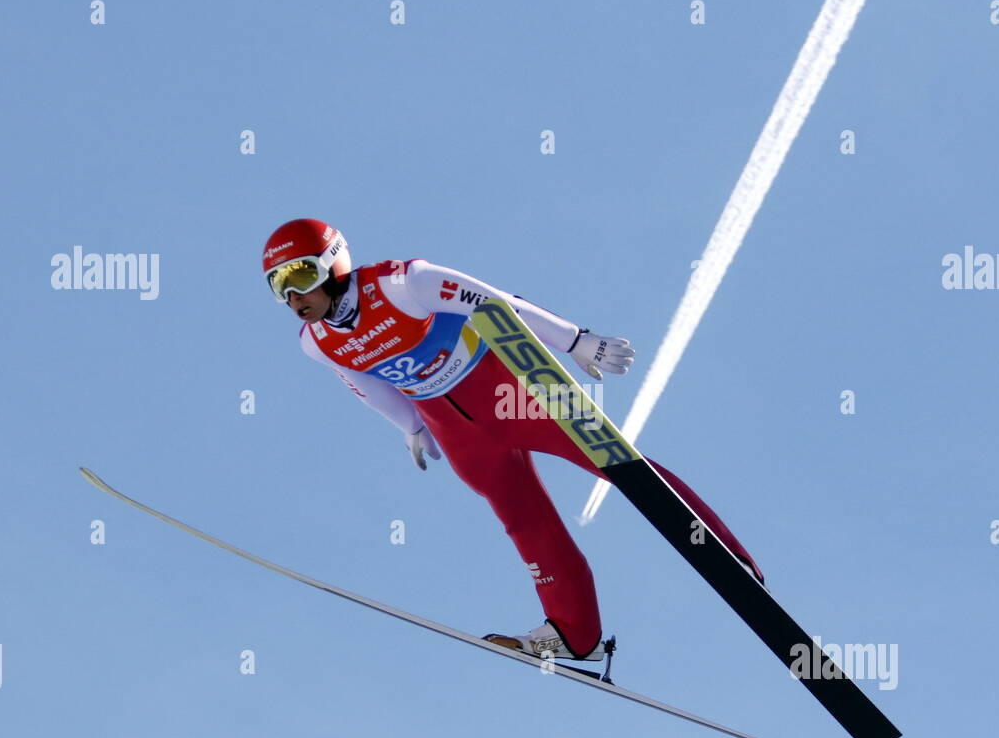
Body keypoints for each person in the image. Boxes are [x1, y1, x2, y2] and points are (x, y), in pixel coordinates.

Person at [262, 218, 766, 661]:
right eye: (278, 285)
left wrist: (574, 340)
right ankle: (574, 636)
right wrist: (412, 429)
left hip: (508, 391)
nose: (293, 296)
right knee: (525, 523)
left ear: (334, 265)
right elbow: (369, 387)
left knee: (615, 462)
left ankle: (725, 553)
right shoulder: (317, 343)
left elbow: (497, 303)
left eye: (300, 276)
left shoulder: (405, 283)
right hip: (455, 429)